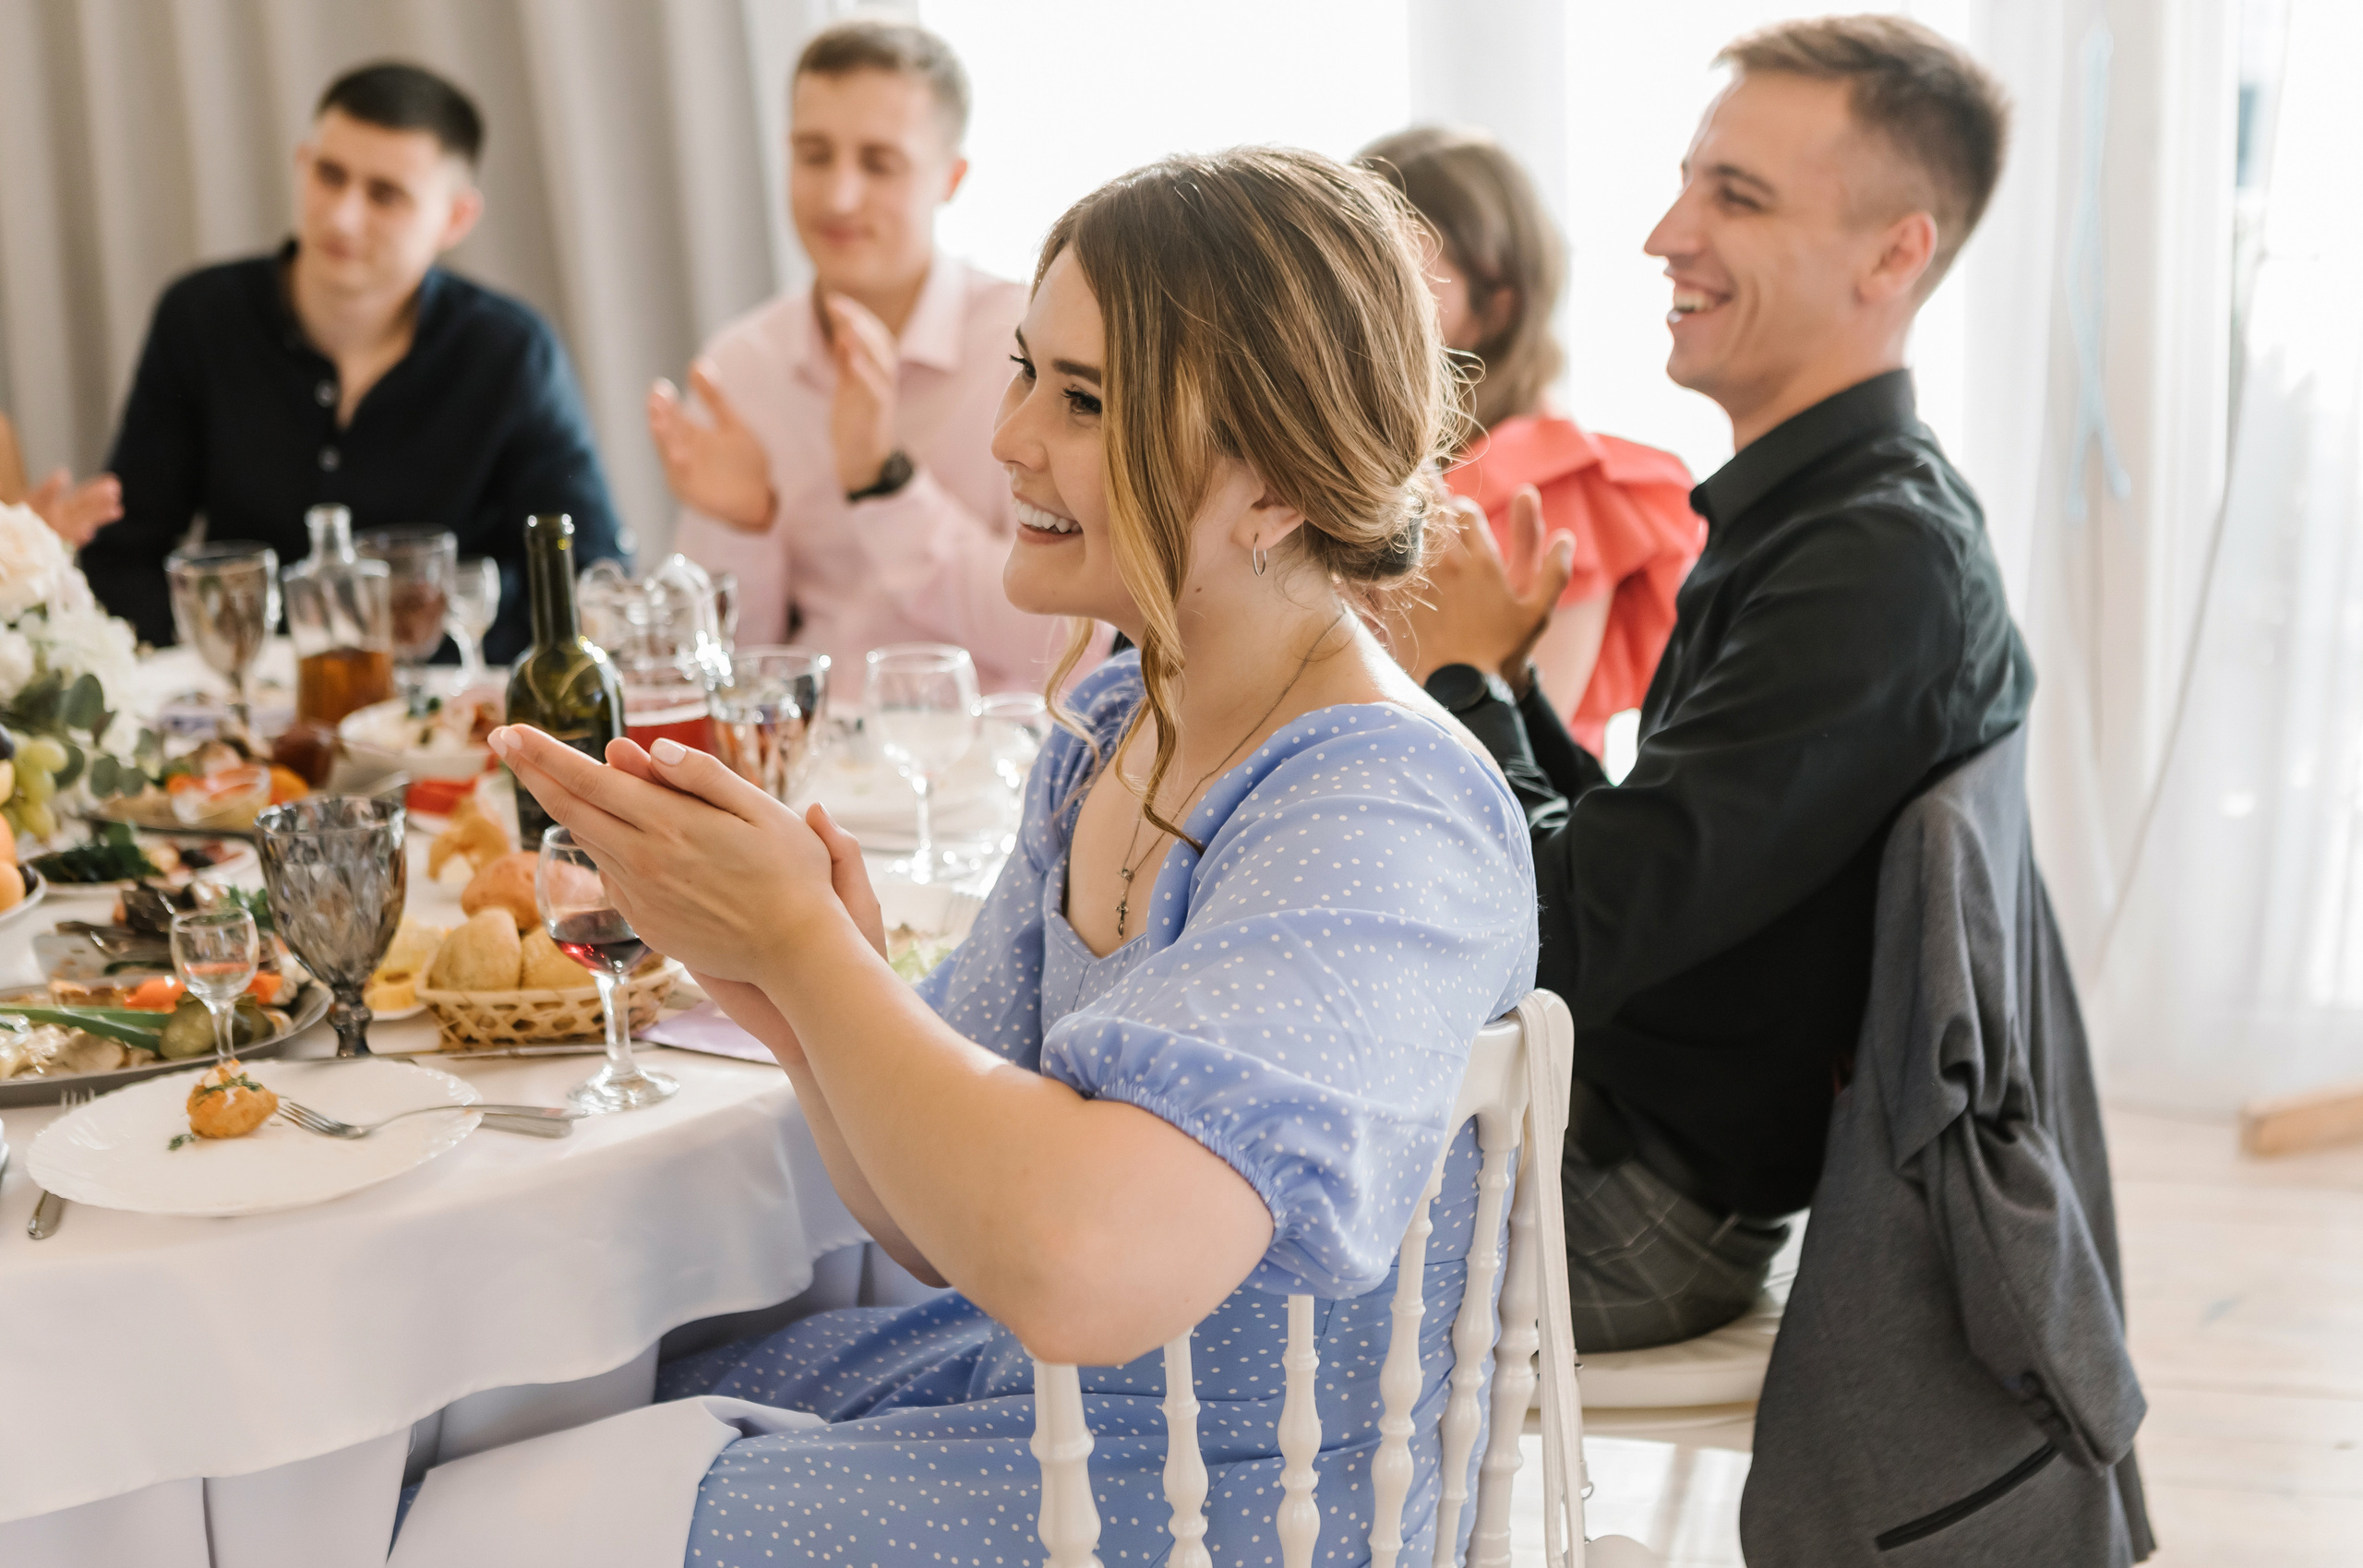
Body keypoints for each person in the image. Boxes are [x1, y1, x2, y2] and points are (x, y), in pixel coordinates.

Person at [445, 148, 1537, 1567]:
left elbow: (1084, 1271)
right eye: (1026, 372)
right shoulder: (1114, 724)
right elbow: (927, 1220)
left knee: (482, 1520)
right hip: (1068, 1413)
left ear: (1272, 483)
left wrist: (813, 953)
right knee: (497, 1422)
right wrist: (781, 979)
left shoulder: (1381, 806)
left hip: (1226, 1502)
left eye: (1083, 399)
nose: (1010, 436)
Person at [1399, 16, 2033, 1350]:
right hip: (1616, 1144)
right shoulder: (1819, 513)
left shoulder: (1872, 563)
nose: (1664, 235)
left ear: (1894, 253)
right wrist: (1499, 681)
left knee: (1134, 1213)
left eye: (1734, 196)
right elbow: (1653, 861)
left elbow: (1565, 928)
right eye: (1687, 182)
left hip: (1630, 1206)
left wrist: (1454, 675)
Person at [82, 62, 623, 664]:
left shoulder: (509, 351)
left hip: (445, 698)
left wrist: (438, 667)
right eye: (329, 175)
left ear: (456, 218)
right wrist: (226, 664)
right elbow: (122, 558)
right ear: (301, 163)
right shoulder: (202, 318)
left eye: (385, 195)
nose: (342, 216)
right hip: (250, 694)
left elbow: (586, 577)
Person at [650, 18, 1097, 695]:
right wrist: (743, 525)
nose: (838, 197)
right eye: (814, 155)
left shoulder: (1033, 349)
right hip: (809, 739)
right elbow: (716, 668)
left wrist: (883, 485)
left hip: (991, 747)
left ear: (951, 177)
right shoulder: (741, 366)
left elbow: (1066, 640)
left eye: (879, 163)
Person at [1360, 126, 1703, 755]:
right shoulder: (1354, 456)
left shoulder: (1559, 485)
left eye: (1398, 279)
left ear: (1497, 305)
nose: (1356, 306)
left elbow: (1508, 748)